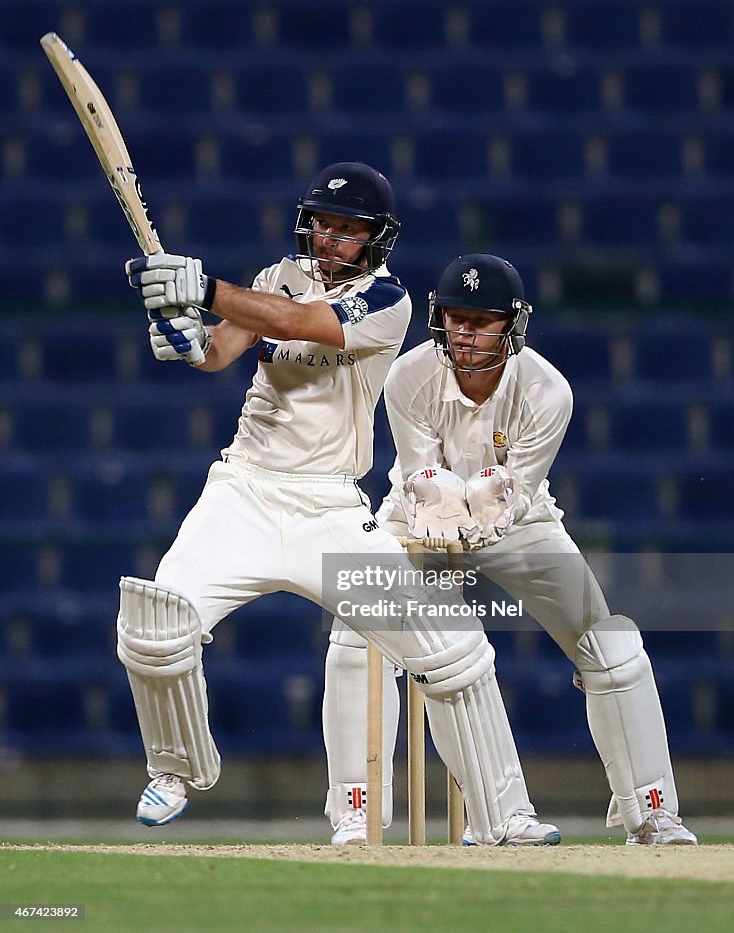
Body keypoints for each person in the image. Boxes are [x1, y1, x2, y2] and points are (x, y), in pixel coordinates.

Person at [116, 164, 557, 848]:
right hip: (245, 493)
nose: (330, 239)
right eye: (324, 224)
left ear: (375, 239)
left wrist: (201, 289)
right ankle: (175, 771)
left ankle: (507, 818)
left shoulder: (388, 301)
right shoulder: (272, 277)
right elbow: (219, 350)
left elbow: (298, 322)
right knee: (154, 625)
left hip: (330, 508)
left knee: (455, 651)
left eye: (348, 231)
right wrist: (184, 335)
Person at [322, 253, 698, 847]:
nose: (465, 333)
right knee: (355, 634)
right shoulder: (408, 377)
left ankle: (652, 813)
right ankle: (361, 813)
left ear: (511, 324)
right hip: (418, 523)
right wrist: (443, 506)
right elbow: (423, 479)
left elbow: (513, 497)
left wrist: (486, 507)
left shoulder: (549, 391)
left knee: (612, 647)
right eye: (454, 317)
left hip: (520, 524)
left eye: (481, 319)